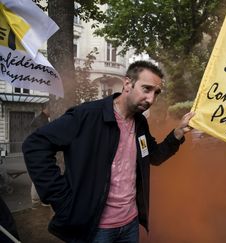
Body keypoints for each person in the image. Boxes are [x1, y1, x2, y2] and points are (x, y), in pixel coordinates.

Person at [22, 61, 194, 242]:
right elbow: (35, 145)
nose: (151, 99)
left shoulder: (140, 123)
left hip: (130, 224)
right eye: (146, 89)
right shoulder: (87, 115)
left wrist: (177, 134)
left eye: (156, 93)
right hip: (95, 229)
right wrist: (61, 199)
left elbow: (154, 156)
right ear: (128, 84)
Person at [29, 103, 50, 207]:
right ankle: (37, 201)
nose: (51, 110)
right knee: (39, 175)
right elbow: (44, 135)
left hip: (36, 150)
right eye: (50, 108)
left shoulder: (43, 118)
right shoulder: (41, 120)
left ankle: (37, 201)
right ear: (45, 108)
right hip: (38, 150)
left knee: (38, 174)